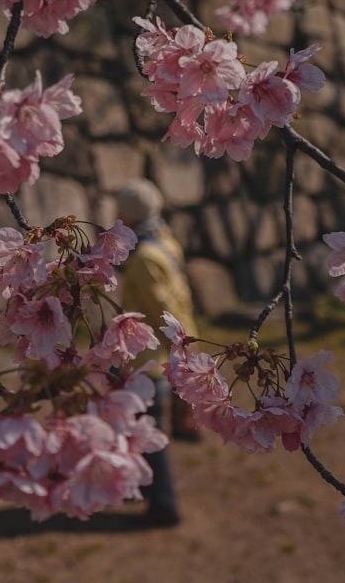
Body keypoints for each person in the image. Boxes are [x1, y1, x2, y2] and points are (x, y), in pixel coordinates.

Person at [115, 178, 201, 529]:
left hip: (147, 361)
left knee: (148, 433)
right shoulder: (166, 243)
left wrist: (181, 355)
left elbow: (164, 310)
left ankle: (163, 502)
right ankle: (143, 490)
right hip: (157, 356)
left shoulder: (144, 258)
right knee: (141, 430)